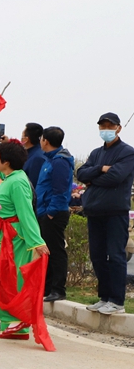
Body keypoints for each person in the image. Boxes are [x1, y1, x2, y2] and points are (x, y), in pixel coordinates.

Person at [0, 123, 52, 346]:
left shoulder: (18, 182)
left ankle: (14, 320)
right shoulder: (8, 176)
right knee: (1, 280)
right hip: (6, 241)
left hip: (17, 240)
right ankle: (13, 323)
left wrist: (37, 243)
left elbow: (26, 213)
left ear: (7, 162)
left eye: (0, 156)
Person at [77, 112, 134, 315]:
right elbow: (81, 173)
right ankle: (105, 297)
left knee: (116, 255)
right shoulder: (96, 154)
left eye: (110, 126)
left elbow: (116, 178)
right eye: (102, 126)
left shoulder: (128, 152)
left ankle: (117, 301)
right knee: (98, 256)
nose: (106, 130)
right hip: (95, 210)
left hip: (115, 211)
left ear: (118, 128)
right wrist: (101, 168)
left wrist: (93, 179)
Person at [36, 127, 74, 303]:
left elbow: (60, 191)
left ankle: (58, 289)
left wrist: (50, 213)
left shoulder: (60, 162)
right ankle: (48, 288)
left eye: (41, 138)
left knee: (56, 251)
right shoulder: (49, 160)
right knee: (48, 252)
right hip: (45, 211)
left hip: (53, 214)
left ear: (46, 141)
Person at [21, 123, 45, 187]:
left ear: (26, 139)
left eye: (22, 136)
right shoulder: (30, 152)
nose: (21, 138)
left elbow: (33, 184)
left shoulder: (37, 158)